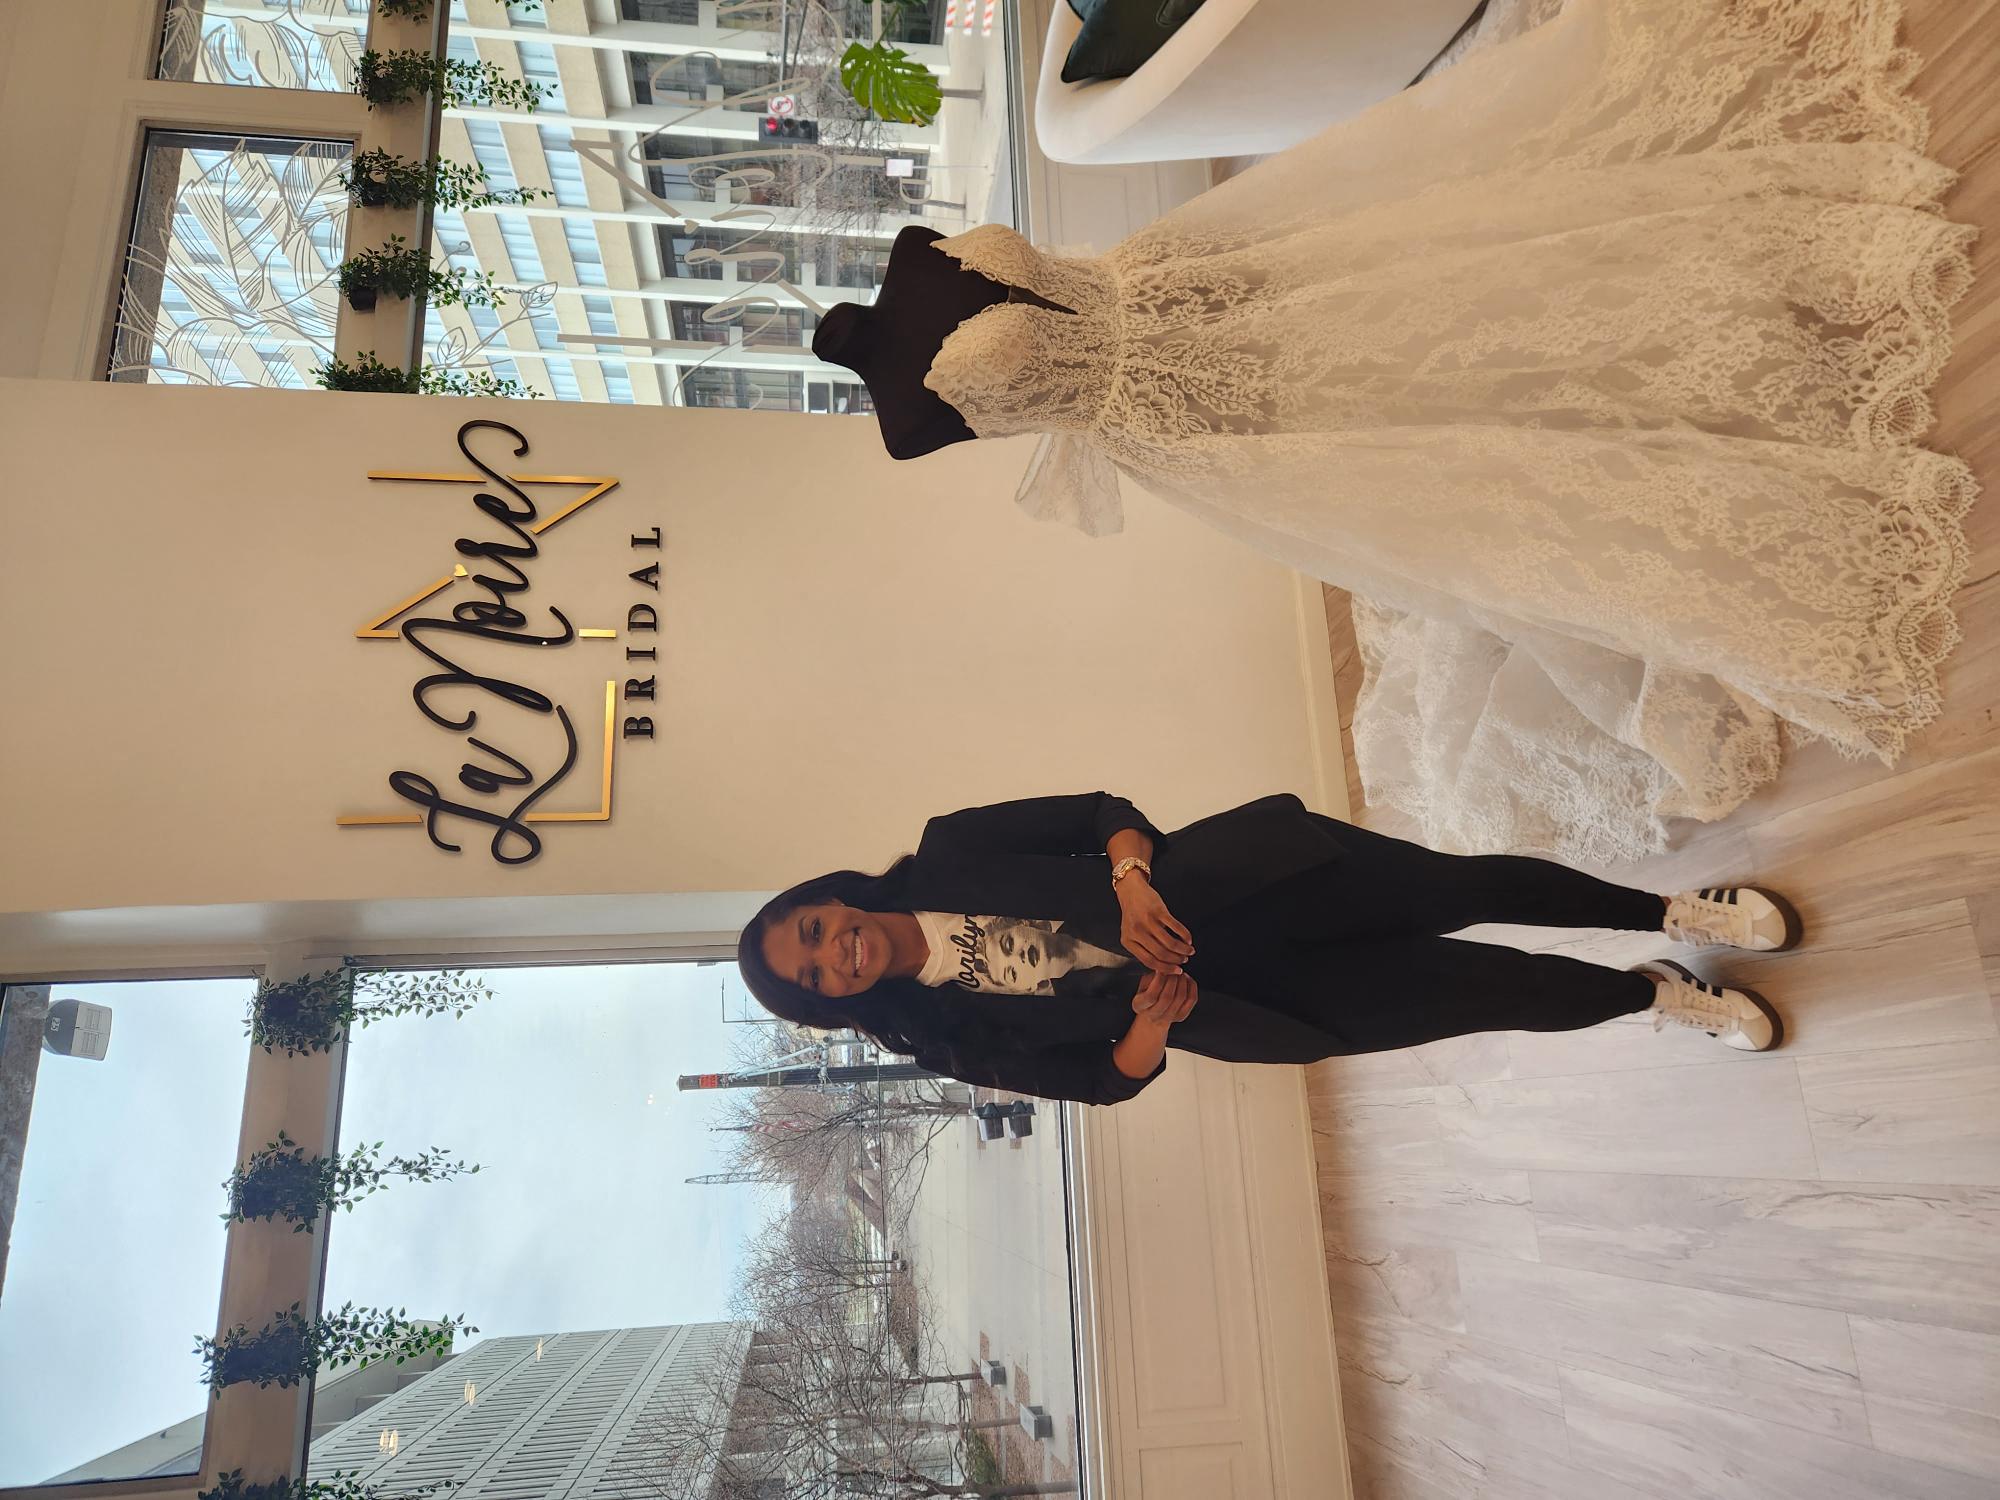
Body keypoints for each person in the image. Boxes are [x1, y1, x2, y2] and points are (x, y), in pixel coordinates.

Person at [845, 0, 1980, 864]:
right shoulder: (908, 422)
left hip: (1194, 268)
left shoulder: (911, 257)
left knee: (1439, 289)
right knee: (1423, 418)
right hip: (1189, 417)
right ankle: (1653, 410)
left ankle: (1670, 314)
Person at [735, 792, 1799, 1106]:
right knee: (1493, 991)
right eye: (814, 978)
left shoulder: (947, 847)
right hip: (1248, 1004)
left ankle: (1668, 914)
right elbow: (1099, 1083)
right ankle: (1655, 998)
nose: (834, 957)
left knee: (1463, 891)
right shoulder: (943, 1034)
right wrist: (1148, 1029)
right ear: (831, 1001)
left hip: (1248, 880)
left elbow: (1102, 812)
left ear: (827, 898)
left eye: (813, 932)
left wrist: (1129, 874)